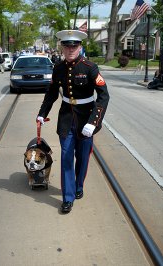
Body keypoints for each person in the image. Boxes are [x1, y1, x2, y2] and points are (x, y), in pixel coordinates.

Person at [36, 30, 109, 214]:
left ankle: (78, 186)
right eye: (67, 46)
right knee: (67, 158)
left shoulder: (90, 67)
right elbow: (52, 93)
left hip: (86, 119)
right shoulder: (58, 68)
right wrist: (42, 113)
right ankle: (67, 198)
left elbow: (103, 96)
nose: (70, 49)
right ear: (62, 47)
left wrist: (93, 122)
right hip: (66, 119)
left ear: (80, 47)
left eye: (74, 46)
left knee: (83, 158)